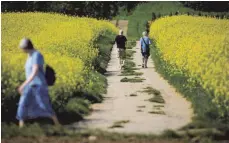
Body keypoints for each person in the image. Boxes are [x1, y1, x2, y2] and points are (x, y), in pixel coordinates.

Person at [17, 38, 59, 128]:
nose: (21, 50)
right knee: (23, 104)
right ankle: (21, 128)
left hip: (38, 85)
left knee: (44, 105)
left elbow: (35, 71)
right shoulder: (29, 55)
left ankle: (58, 125)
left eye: (22, 48)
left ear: (26, 47)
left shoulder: (37, 55)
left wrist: (23, 84)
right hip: (30, 85)